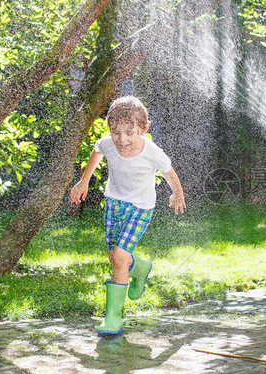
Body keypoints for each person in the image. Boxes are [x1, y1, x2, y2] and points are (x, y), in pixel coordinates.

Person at [70, 95, 186, 335]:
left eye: (129, 133)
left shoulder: (152, 151)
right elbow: (97, 151)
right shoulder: (108, 143)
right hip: (113, 203)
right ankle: (140, 267)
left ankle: (113, 318)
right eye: (116, 132)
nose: (122, 139)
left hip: (140, 207)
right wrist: (83, 182)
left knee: (120, 257)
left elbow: (169, 173)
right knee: (115, 258)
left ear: (143, 129)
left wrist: (177, 194)